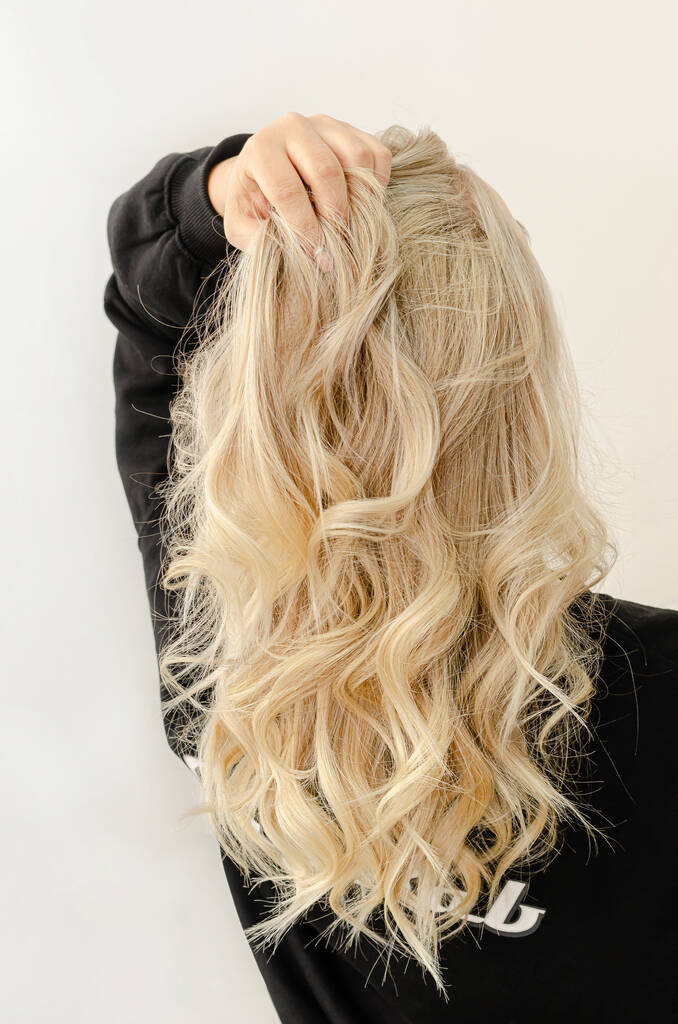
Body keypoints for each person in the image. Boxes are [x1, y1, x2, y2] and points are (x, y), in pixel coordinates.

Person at [104, 113, 678, 1023]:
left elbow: (149, 316)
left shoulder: (238, 694)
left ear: (255, 399)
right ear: (518, 384)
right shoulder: (663, 694)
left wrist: (214, 196)